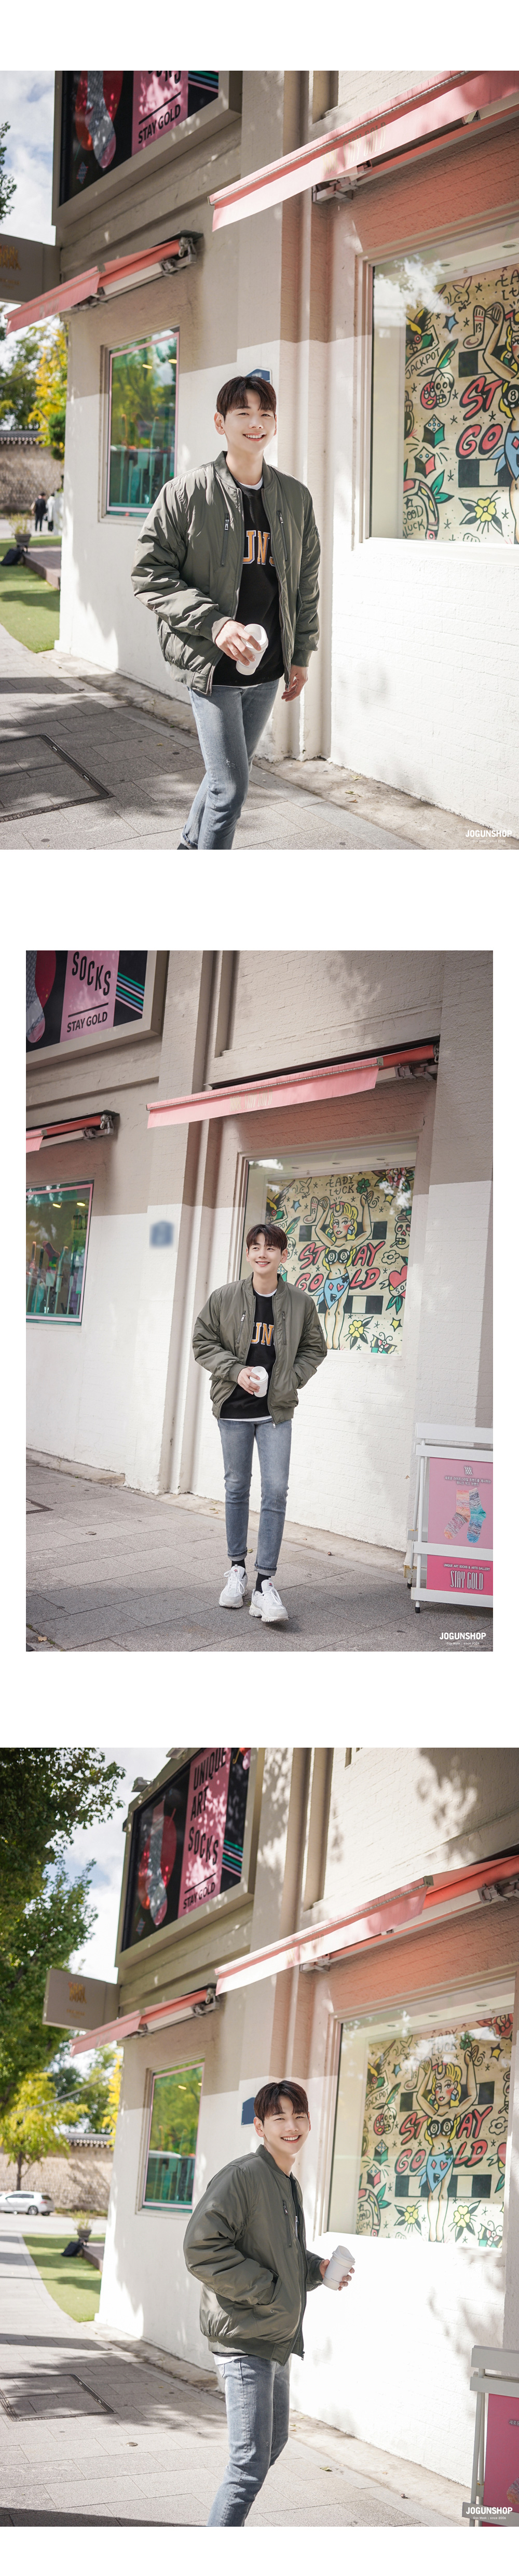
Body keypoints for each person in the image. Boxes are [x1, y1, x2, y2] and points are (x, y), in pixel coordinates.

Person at [131, 373, 320, 847]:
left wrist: (301, 653)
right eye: (244, 413)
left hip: (268, 667)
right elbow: (150, 573)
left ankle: (188, 848)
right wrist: (215, 625)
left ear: (274, 424)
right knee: (231, 789)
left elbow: (306, 583)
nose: (256, 423)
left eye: (265, 414)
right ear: (221, 423)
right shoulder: (186, 494)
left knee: (225, 778)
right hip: (213, 665)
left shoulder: (296, 498)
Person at [183, 2081, 352, 2526]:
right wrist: (269, 2291)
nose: (291, 2126)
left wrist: (316, 2269)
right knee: (248, 2465)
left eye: (299, 2116)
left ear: (310, 2122)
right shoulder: (243, 2176)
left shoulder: (286, 2182)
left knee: (272, 2446)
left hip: (275, 2339)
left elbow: (281, 2255)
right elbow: (202, 2249)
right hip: (246, 2339)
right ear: (260, 2127)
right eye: (279, 2118)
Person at [192, 1221, 327, 1625]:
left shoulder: (301, 1303)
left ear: (284, 1256)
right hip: (233, 1409)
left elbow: (315, 1348)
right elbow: (202, 1341)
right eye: (256, 1247)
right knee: (236, 1488)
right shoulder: (225, 1297)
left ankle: (265, 1583)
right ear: (248, 1253)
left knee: (276, 1491)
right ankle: (237, 1571)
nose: (262, 1253)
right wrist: (235, 1371)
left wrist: (290, 1379)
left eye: (271, 1248)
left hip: (275, 1412)